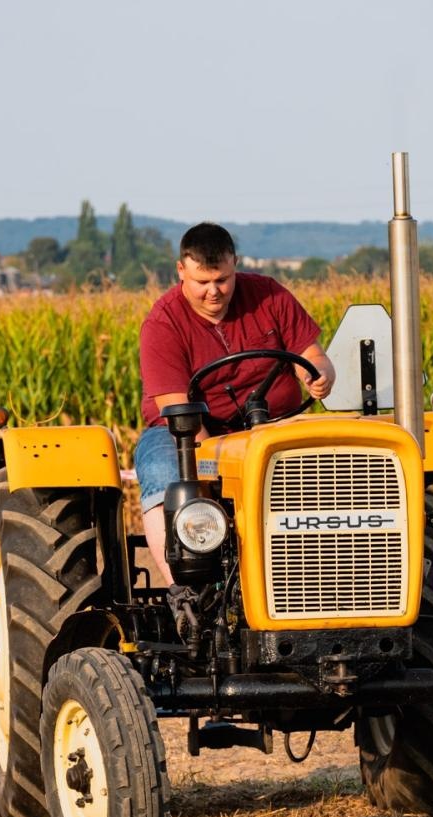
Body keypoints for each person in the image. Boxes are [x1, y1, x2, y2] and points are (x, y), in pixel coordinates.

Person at [136, 222, 335, 582]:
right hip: (190, 431)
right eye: (202, 282)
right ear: (181, 270)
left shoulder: (268, 296)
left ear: (235, 265)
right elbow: (179, 413)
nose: (214, 291)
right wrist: (217, 469)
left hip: (274, 424)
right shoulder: (163, 324)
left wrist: (318, 376)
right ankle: (185, 587)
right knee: (163, 471)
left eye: (222, 280)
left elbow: (313, 357)